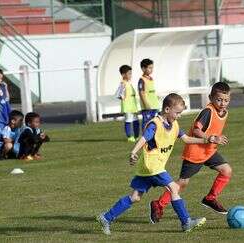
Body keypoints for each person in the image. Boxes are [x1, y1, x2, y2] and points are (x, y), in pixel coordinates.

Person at [96, 93, 221, 235]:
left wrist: (208, 140)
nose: (179, 116)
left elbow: (186, 139)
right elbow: (144, 138)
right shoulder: (155, 124)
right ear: (167, 110)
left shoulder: (174, 125)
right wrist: (134, 151)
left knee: (135, 197)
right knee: (174, 188)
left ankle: (105, 218)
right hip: (152, 166)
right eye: (177, 113)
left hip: (147, 169)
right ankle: (186, 222)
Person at [150, 82, 232, 223]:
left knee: (226, 170)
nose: (223, 103)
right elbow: (196, 130)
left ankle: (210, 199)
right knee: (182, 183)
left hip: (209, 151)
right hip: (195, 152)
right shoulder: (208, 111)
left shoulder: (224, 112)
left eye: (226, 100)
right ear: (211, 98)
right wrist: (212, 138)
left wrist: (213, 140)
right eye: (219, 99)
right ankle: (158, 204)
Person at [115, 65, 140, 142]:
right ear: (123, 75)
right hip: (127, 106)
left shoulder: (129, 83)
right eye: (129, 73)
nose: (130, 75)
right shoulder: (123, 83)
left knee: (136, 121)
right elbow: (118, 94)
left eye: (131, 73)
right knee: (128, 120)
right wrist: (123, 98)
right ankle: (129, 136)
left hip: (133, 106)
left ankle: (136, 136)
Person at [138, 58, 159, 130]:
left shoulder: (151, 79)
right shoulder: (142, 80)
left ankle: (153, 137)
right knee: (146, 122)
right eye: (150, 68)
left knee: (155, 122)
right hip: (147, 106)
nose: (151, 69)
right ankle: (145, 139)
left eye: (152, 68)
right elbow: (141, 93)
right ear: (143, 69)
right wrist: (146, 104)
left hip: (154, 105)